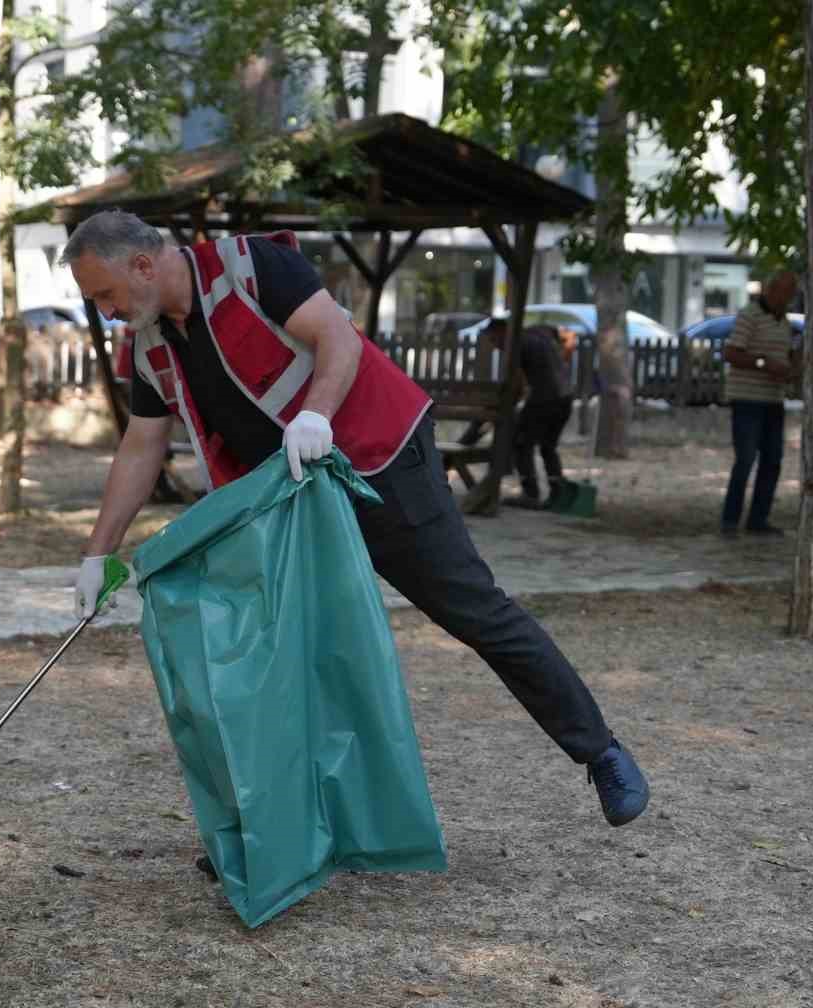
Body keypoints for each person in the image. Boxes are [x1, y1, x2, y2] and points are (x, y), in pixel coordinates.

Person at [61, 211, 649, 827]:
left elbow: (337, 339)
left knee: (474, 610)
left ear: (144, 265)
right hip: (293, 498)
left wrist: (315, 415)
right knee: (277, 654)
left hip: (381, 459)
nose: (105, 312)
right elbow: (142, 445)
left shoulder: (249, 266)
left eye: (105, 294)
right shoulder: (152, 343)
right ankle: (288, 836)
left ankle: (600, 751)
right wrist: (98, 554)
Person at [720, 269, 800, 536]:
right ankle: (730, 520)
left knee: (773, 460)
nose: (787, 298)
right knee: (745, 459)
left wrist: (792, 366)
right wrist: (764, 364)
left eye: (791, 294)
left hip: (773, 399)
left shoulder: (784, 322)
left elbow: (786, 355)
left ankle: (758, 519)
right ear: (770, 290)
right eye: (784, 292)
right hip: (747, 398)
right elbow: (731, 352)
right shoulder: (749, 315)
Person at [506, 323, 579, 510]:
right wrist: (565, 355)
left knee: (521, 443)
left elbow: (517, 385)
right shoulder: (543, 332)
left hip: (545, 397)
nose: (495, 344)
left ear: (501, 333)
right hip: (565, 397)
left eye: (493, 339)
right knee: (548, 447)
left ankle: (530, 493)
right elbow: (568, 335)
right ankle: (558, 494)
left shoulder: (518, 343)